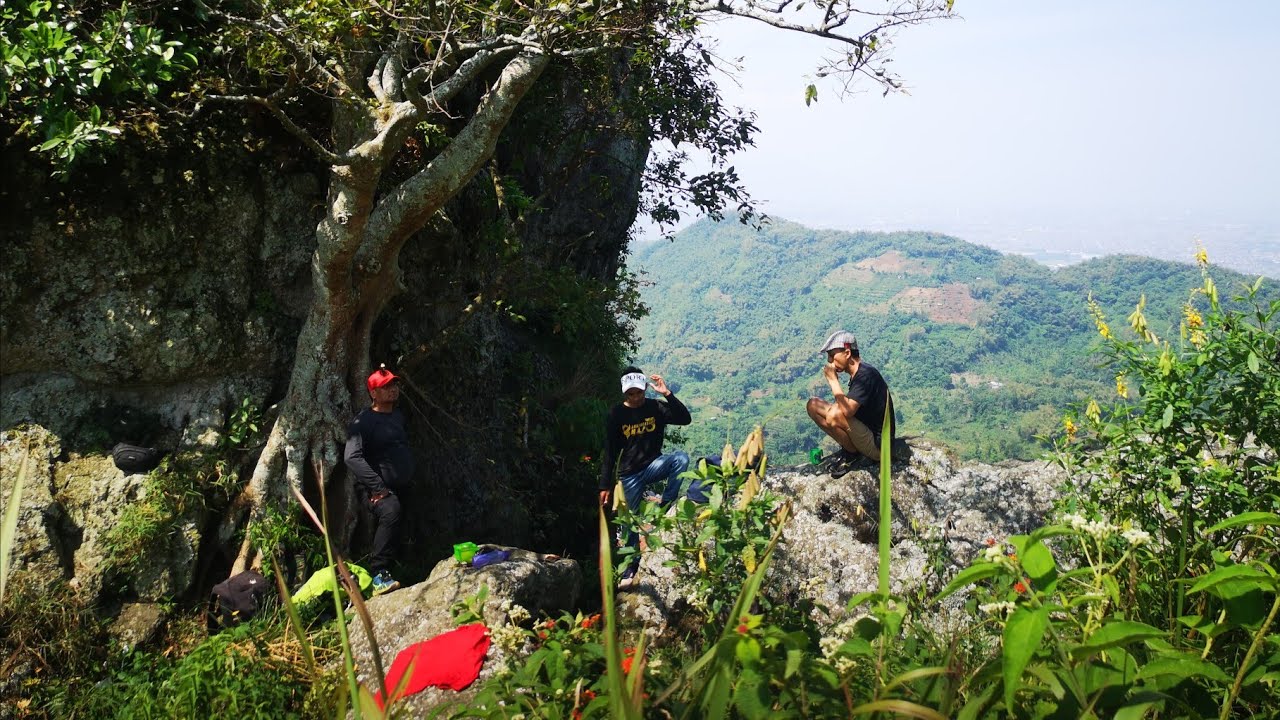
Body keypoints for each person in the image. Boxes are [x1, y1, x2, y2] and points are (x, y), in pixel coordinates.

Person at [599, 366, 691, 584]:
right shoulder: (616, 414)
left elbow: (684, 418)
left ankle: (665, 506)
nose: (636, 397)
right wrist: (604, 485)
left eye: (639, 392)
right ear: (624, 392)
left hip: (653, 466)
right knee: (630, 521)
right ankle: (631, 567)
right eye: (631, 393)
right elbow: (610, 451)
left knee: (681, 459)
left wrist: (667, 394)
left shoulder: (655, 407)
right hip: (629, 474)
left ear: (644, 389)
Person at [343, 364, 413, 594]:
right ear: (373, 393)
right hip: (375, 489)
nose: (392, 389)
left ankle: (404, 567)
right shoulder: (363, 421)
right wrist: (378, 487)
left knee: (405, 521)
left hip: (401, 486)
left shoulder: (397, 416)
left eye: (394, 384)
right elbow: (351, 457)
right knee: (391, 511)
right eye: (385, 386)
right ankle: (379, 574)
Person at [806, 331, 896, 478]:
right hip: (864, 431)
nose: (829, 361)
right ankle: (850, 449)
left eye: (832, 355)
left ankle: (852, 456)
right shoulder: (858, 374)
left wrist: (833, 381)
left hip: (878, 447)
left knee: (834, 415)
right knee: (813, 405)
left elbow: (847, 411)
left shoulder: (866, 375)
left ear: (847, 353)